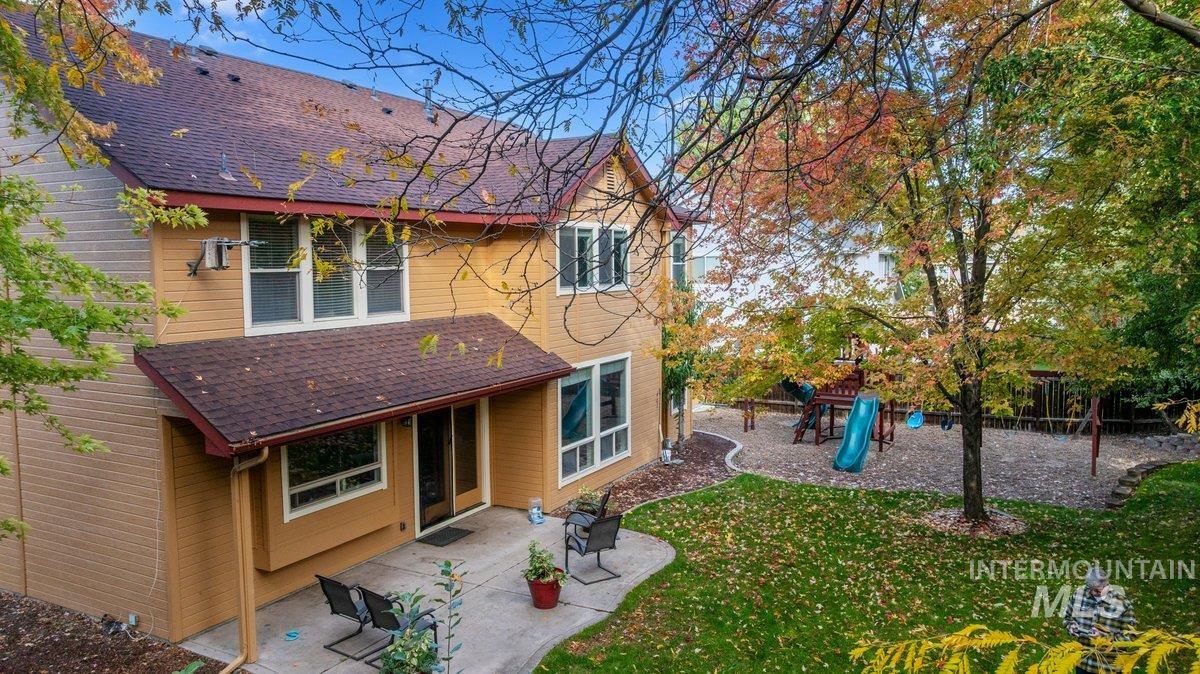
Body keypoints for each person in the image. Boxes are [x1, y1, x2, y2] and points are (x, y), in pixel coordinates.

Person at [1062, 566, 1138, 673]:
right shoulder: (1078, 595)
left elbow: (1131, 636)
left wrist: (1105, 638)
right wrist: (1071, 626)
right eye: (1090, 589)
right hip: (1083, 663)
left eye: (1098, 590)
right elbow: (1067, 617)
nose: (1093, 592)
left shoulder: (1122, 604)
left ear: (1107, 584)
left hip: (1109, 666)